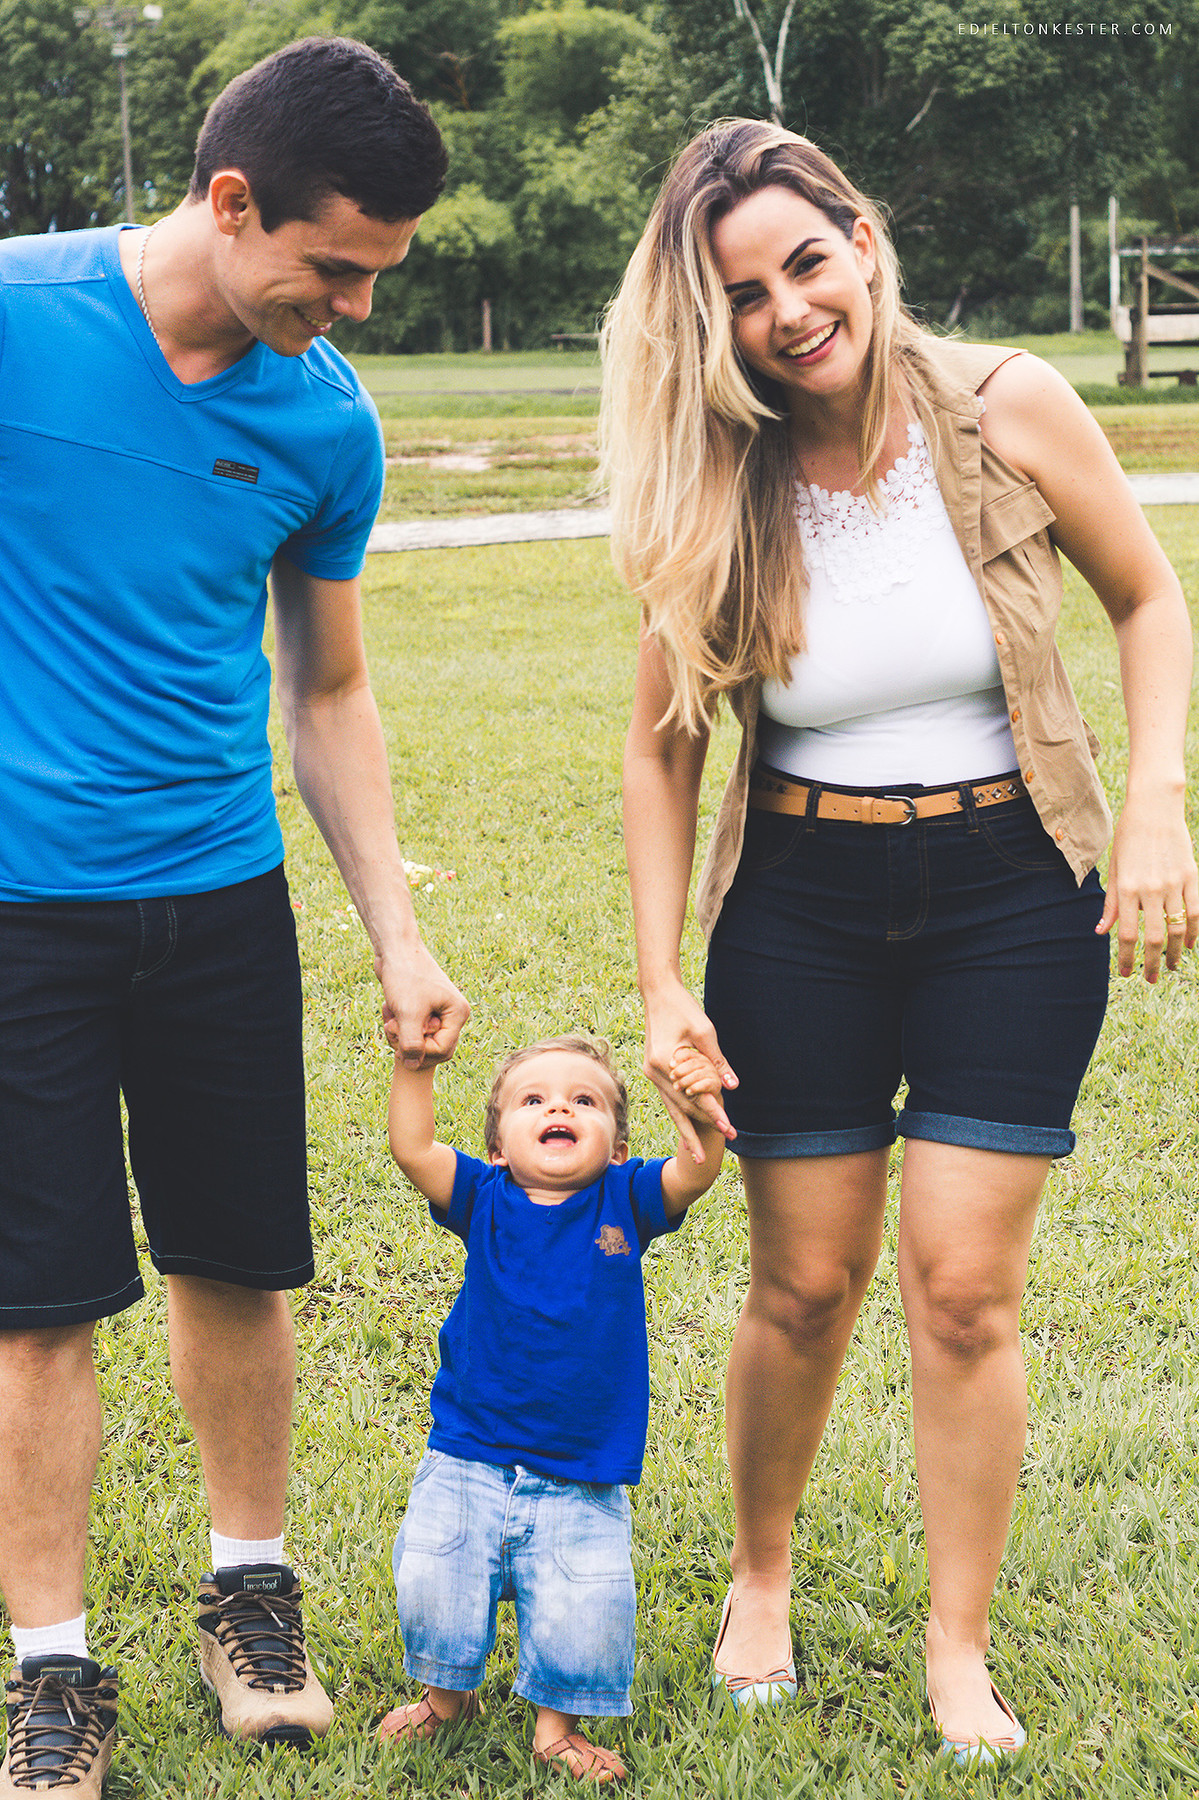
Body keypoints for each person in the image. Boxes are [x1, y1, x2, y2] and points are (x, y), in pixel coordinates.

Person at [604, 119, 1198, 1761]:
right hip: (796, 910)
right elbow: (662, 745)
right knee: (800, 1282)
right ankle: (757, 1579)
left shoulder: (1004, 408)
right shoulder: (713, 472)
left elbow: (1147, 599)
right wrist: (659, 983)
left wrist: (1151, 802)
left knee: (957, 1289)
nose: (788, 308)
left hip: (1010, 897)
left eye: (805, 260)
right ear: (707, 323)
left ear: (860, 243)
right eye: (742, 292)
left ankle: (954, 1647)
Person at [0, 35, 470, 1794]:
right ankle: (54, 1673)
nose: (348, 306)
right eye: (330, 264)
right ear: (228, 203)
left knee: (236, 1256)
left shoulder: (319, 419)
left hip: (218, 898)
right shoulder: (19, 320)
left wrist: (393, 931)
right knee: (37, 1298)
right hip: (18, 917)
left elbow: (328, 689)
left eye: (376, 275)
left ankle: (247, 1586)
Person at [379, 1033, 725, 1783]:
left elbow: (697, 1170)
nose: (559, 1106)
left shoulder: (624, 1200)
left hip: (581, 1464)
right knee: (438, 1581)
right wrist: (417, 1066)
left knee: (579, 1602)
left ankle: (555, 1729)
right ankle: (446, 1699)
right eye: (532, 1100)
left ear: (618, 1143)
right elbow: (412, 1148)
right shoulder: (482, 1197)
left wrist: (692, 1105)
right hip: (468, 1449)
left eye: (584, 1100)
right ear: (498, 1145)